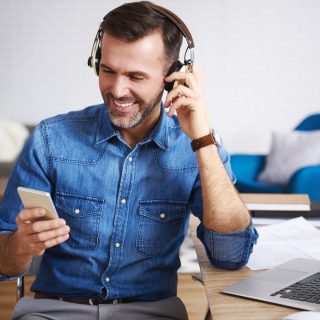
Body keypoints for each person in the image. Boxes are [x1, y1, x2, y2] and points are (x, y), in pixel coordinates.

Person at [0, 1, 258, 319]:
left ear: (173, 77)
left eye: (136, 76)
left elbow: (230, 255)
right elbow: (4, 262)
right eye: (108, 70)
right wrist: (18, 248)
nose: (117, 90)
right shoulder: (51, 139)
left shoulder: (194, 148)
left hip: (151, 312)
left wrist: (201, 138)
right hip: (56, 309)